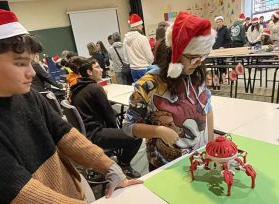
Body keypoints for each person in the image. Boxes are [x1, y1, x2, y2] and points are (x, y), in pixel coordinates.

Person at [0, 9, 141, 204]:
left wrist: (108, 166)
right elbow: (19, 193)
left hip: (69, 193)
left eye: (32, 63)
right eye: (21, 64)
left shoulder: (28, 96)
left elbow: (64, 134)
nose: (31, 73)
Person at [123, 11, 215, 171]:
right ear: (175, 54)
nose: (198, 63)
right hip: (165, 164)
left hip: (197, 157)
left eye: (202, 58)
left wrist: (211, 145)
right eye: (193, 58)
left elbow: (208, 109)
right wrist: (158, 131)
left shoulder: (196, 75)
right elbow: (128, 127)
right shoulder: (148, 84)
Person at [69, 56, 142, 178]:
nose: (102, 69)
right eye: (97, 67)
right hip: (95, 134)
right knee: (136, 136)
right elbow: (110, 117)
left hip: (85, 133)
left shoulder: (77, 88)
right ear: (89, 72)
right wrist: (118, 133)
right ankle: (124, 165)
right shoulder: (95, 88)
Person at [123, 14, 154, 82]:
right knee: (147, 91)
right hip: (144, 68)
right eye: (141, 25)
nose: (142, 27)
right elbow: (149, 57)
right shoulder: (143, 38)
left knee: (138, 90)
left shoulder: (125, 39)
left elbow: (126, 58)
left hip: (133, 70)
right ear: (137, 26)